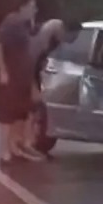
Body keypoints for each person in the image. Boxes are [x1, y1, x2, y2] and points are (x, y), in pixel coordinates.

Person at [0, 0, 43, 163]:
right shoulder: (12, 22)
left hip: (20, 79)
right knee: (7, 115)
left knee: (19, 113)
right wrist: (4, 71)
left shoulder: (22, 25)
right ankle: (5, 151)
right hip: (10, 78)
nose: (35, 10)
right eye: (32, 6)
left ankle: (13, 148)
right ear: (23, 7)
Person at [25, 19, 82, 154]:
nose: (73, 40)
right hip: (23, 70)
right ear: (64, 30)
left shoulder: (55, 39)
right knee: (28, 107)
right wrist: (32, 87)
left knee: (32, 107)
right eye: (72, 36)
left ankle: (27, 143)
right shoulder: (45, 35)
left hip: (33, 70)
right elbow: (27, 62)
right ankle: (24, 143)